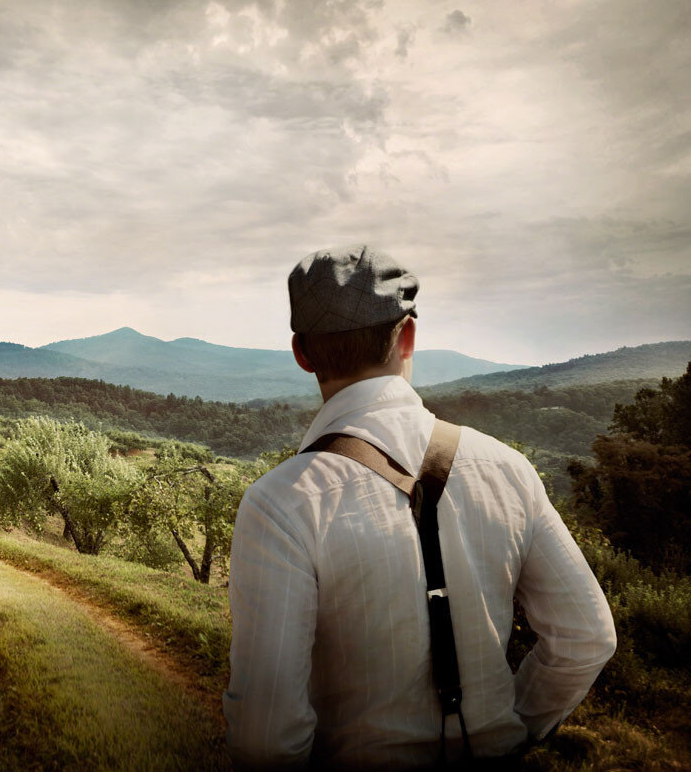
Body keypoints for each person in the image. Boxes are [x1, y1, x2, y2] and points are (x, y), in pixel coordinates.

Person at [222, 245, 616, 769]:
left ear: (301, 353)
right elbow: (587, 637)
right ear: (407, 337)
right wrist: (509, 730)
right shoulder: (507, 468)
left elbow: (265, 739)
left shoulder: (281, 503)